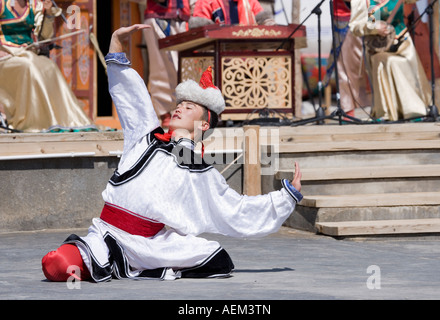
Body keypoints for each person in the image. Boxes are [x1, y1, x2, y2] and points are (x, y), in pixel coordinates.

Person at [41, 24, 303, 282]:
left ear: (202, 125)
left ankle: (146, 265)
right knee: (55, 264)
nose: (179, 109)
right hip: (106, 231)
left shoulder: (200, 170)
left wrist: (285, 197)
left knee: (217, 257)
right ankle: (109, 262)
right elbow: (132, 99)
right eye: (180, 104)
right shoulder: (146, 135)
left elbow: (235, 209)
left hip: (148, 244)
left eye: (189, 107)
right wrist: (117, 46)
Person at [0, 0, 93, 132]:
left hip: (27, 53)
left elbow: (45, 37)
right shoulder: (3, 5)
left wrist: (48, 14)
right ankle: (32, 122)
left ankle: (62, 120)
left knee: (50, 67)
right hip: (5, 57)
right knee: (29, 66)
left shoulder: (34, 6)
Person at [349, 0, 431, 121]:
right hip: (378, 49)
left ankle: (415, 111)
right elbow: (355, 26)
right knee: (385, 62)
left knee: (398, 63)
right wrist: (374, 27)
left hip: (402, 45)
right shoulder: (365, 2)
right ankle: (387, 112)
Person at [141, 0, 191, 128]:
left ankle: (185, 112)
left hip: (185, 17)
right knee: (160, 68)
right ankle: (165, 114)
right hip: (158, 17)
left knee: (187, 67)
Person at [324, 0, 371, 118]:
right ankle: (348, 111)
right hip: (347, 18)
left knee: (375, 64)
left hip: (372, 14)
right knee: (346, 68)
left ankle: (382, 109)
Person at [190, 0, 275, 28]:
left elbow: (265, 21)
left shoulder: (249, 1)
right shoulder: (205, 1)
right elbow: (199, 30)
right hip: (215, 60)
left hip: (246, 62)